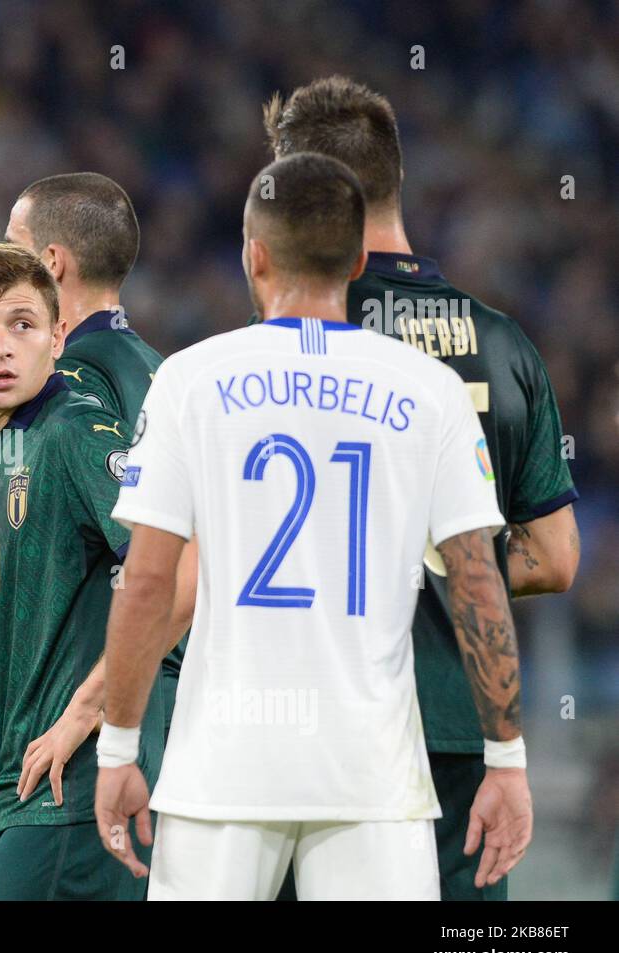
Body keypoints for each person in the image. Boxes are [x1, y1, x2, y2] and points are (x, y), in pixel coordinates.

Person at [94, 153, 529, 900]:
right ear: (359, 258)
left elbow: (146, 582)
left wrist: (119, 747)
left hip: (221, 773)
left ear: (253, 256)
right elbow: (476, 581)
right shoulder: (431, 392)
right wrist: (507, 760)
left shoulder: (190, 380)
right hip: (372, 780)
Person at [263, 75, 579, 900]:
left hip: (320, 733)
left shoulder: (288, 345)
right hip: (462, 730)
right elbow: (555, 557)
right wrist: (440, 561)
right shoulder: (504, 345)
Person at [0, 242, 183, 900]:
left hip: (76, 798)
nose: (0, 347)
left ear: (58, 338)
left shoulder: (75, 433)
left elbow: (182, 571)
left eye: (22, 326)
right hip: (33, 792)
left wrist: (84, 711)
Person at [3, 172, 182, 788]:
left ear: (50, 262)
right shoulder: (166, 372)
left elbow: (165, 563)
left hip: (107, 724)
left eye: (10, 245)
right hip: (177, 705)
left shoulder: (68, 384)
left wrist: (80, 707)